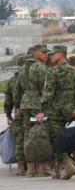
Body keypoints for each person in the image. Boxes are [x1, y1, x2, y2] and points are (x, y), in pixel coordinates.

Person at [39, 45, 75, 180]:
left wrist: (42, 111)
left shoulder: (52, 72)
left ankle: (68, 165)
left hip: (55, 111)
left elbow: (48, 93)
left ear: (60, 54)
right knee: (64, 138)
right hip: (71, 110)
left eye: (53, 54)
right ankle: (58, 171)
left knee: (56, 139)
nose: (51, 56)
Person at [14, 45, 50, 176]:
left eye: (47, 52)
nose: (46, 54)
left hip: (25, 104)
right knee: (41, 134)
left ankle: (29, 169)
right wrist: (45, 108)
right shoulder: (41, 68)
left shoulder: (23, 68)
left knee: (28, 135)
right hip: (38, 105)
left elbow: (17, 90)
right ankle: (42, 168)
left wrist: (18, 105)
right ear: (35, 53)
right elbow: (46, 89)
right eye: (43, 52)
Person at [5, 55, 27, 175]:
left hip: (19, 114)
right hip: (32, 113)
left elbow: (9, 100)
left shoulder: (13, 80)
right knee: (32, 138)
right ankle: (33, 165)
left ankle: (20, 167)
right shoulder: (33, 77)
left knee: (19, 140)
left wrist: (8, 115)